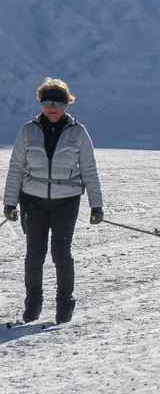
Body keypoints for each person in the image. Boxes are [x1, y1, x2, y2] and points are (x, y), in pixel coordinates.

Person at [3, 78, 103, 325]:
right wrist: (10, 203)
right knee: (35, 254)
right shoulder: (28, 130)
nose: (52, 107)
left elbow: (89, 169)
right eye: (47, 102)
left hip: (66, 202)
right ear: (41, 103)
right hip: (32, 200)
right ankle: (33, 304)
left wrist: (96, 205)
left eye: (58, 102)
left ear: (66, 104)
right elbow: (16, 167)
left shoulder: (78, 132)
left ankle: (65, 303)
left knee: (61, 253)